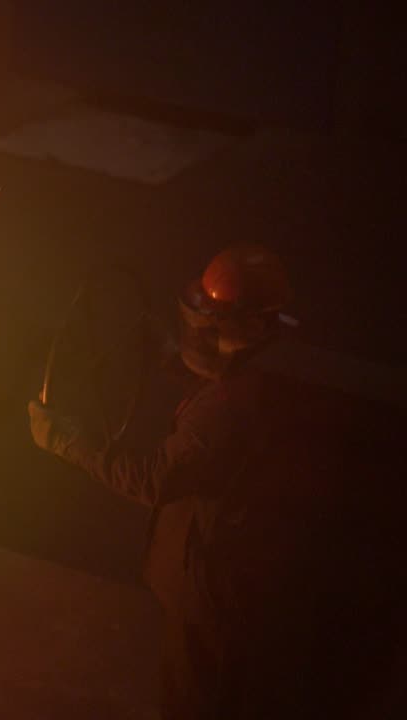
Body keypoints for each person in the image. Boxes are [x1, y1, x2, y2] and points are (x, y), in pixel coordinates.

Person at [26, 244, 368, 718]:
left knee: (194, 702)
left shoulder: (230, 408)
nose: (203, 333)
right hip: (254, 578)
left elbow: (156, 480)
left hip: (216, 590)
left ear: (248, 325)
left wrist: (70, 443)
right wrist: (169, 358)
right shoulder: (274, 364)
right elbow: (223, 384)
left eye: (214, 325)